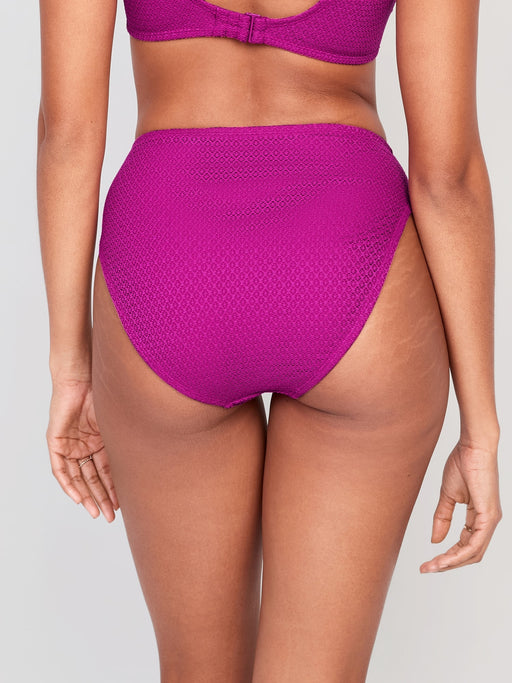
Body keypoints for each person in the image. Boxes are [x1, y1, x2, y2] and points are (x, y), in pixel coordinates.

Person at [37, 0, 502, 680]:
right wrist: (480, 426)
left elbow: (68, 133)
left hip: (170, 263)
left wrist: (71, 366)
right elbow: (448, 177)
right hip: (348, 261)